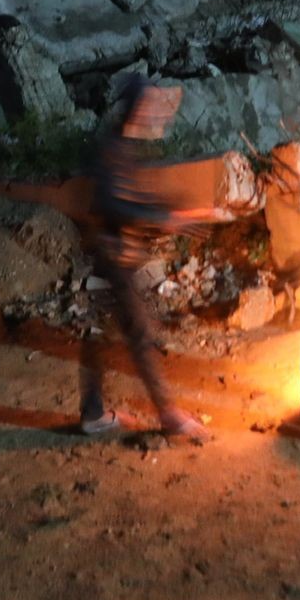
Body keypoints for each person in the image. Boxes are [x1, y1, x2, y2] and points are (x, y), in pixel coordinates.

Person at [76, 76, 213, 443]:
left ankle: (92, 414)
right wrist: (164, 217)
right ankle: (169, 415)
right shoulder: (111, 148)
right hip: (112, 256)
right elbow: (109, 203)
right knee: (137, 333)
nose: (157, 112)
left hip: (116, 255)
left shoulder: (126, 147)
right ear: (137, 107)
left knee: (102, 334)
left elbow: (134, 199)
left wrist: (177, 211)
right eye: (150, 104)